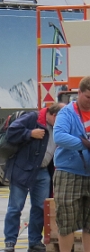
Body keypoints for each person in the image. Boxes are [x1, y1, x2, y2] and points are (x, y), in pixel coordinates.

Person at [3, 102, 64, 252]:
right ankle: (10, 242)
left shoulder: (57, 127)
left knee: (40, 208)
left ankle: (35, 241)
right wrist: (29, 133)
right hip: (22, 170)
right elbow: (11, 132)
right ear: (53, 115)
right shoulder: (32, 118)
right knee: (15, 207)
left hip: (42, 171)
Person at [53, 76, 90, 252]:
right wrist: (84, 144)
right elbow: (59, 136)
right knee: (66, 222)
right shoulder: (67, 113)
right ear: (79, 92)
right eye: (88, 97)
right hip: (68, 173)